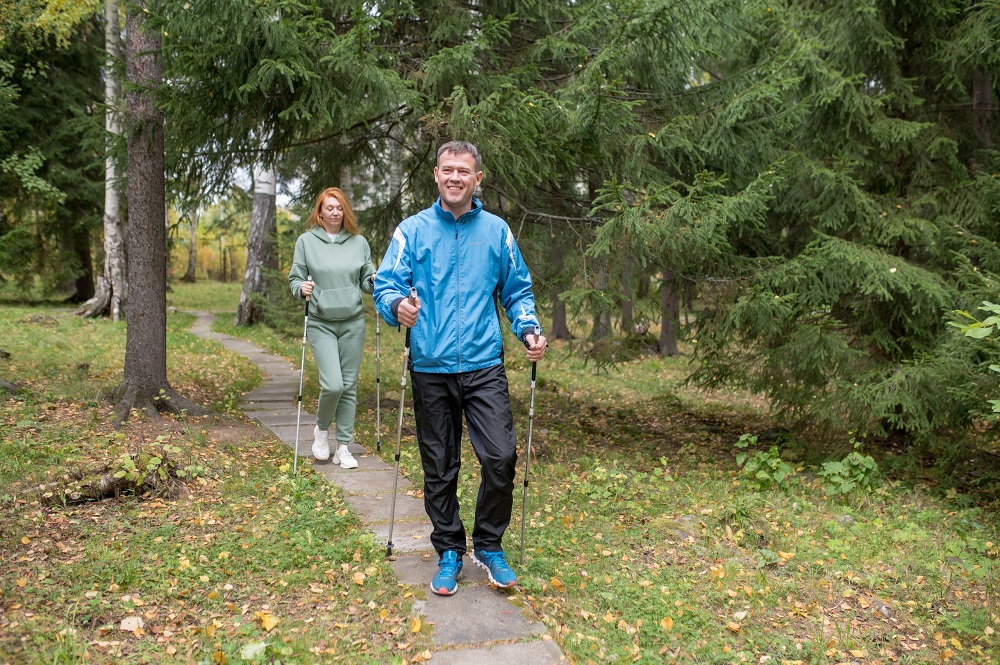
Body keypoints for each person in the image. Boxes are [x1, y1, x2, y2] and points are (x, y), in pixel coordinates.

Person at [374, 140, 547, 596]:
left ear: (477, 179)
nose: (455, 177)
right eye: (447, 169)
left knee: (500, 456)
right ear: (436, 174)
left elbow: (517, 290)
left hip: (483, 363)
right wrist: (396, 306)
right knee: (439, 465)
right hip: (430, 366)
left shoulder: (496, 231)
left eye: (463, 171)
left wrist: (529, 328)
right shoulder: (412, 231)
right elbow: (386, 284)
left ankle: (488, 545)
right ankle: (449, 548)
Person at [289, 187, 376, 469]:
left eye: (339, 208)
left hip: (353, 322)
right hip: (321, 322)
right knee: (333, 384)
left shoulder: (359, 242)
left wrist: (374, 281)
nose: (335, 212)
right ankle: (322, 430)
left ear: (345, 211)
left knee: (349, 386)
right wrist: (301, 288)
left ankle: (343, 448)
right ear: (320, 213)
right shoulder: (306, 241)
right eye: (329, 208)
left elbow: (366, 279)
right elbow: (295, 279)